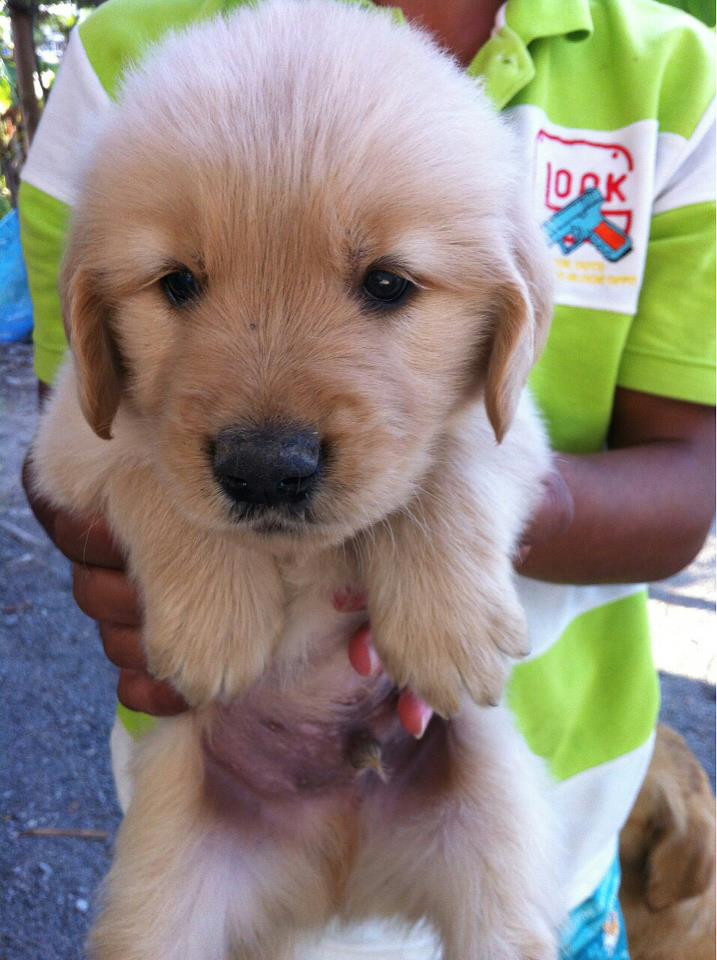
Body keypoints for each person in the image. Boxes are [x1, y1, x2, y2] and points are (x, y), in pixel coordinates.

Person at [19, 0, 715, 957]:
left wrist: (444, 509)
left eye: (386, 285)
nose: (267, 437)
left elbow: (662, 478)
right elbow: (73, 441)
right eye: (177, 284)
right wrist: (167, 536)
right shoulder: (121, 54)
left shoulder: (676, 76)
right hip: (219, 791)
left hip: (505, 790)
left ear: (515, 313)